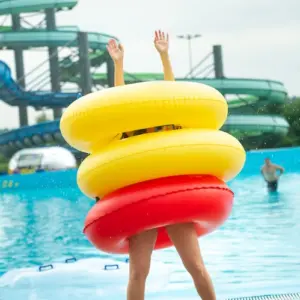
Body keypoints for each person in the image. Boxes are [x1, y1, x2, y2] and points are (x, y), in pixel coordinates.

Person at [106, 30, 216, 300]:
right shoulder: (129, 129)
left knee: (196, 266)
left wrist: (164, 55)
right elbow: (116, 103)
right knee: (137, 272)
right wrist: (118, 64)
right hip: (141, 201)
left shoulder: (168, 123)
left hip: (173, 198)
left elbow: (173, 91)